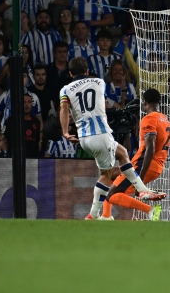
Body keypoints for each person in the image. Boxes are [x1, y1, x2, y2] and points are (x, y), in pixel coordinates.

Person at [59, 57, 164, 220]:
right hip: (100, 134)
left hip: (84, 138)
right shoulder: (99, 82)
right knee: (106, 174)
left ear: (70, 73)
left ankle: (104, 213)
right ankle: (95, 214)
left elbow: (64, 110)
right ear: (87, 71)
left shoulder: (65, 90)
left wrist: (65, 132)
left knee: (121, 153)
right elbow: (103, 103)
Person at [101, 89, 170, 221]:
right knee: (109, 174)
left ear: (145, 103)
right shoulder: (166, 121)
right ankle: (106, 216)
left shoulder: (149, 119)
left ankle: (150, 210)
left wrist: (141, 182)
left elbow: (150, 148)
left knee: (111, 195)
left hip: (143, 165)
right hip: (157, 166)